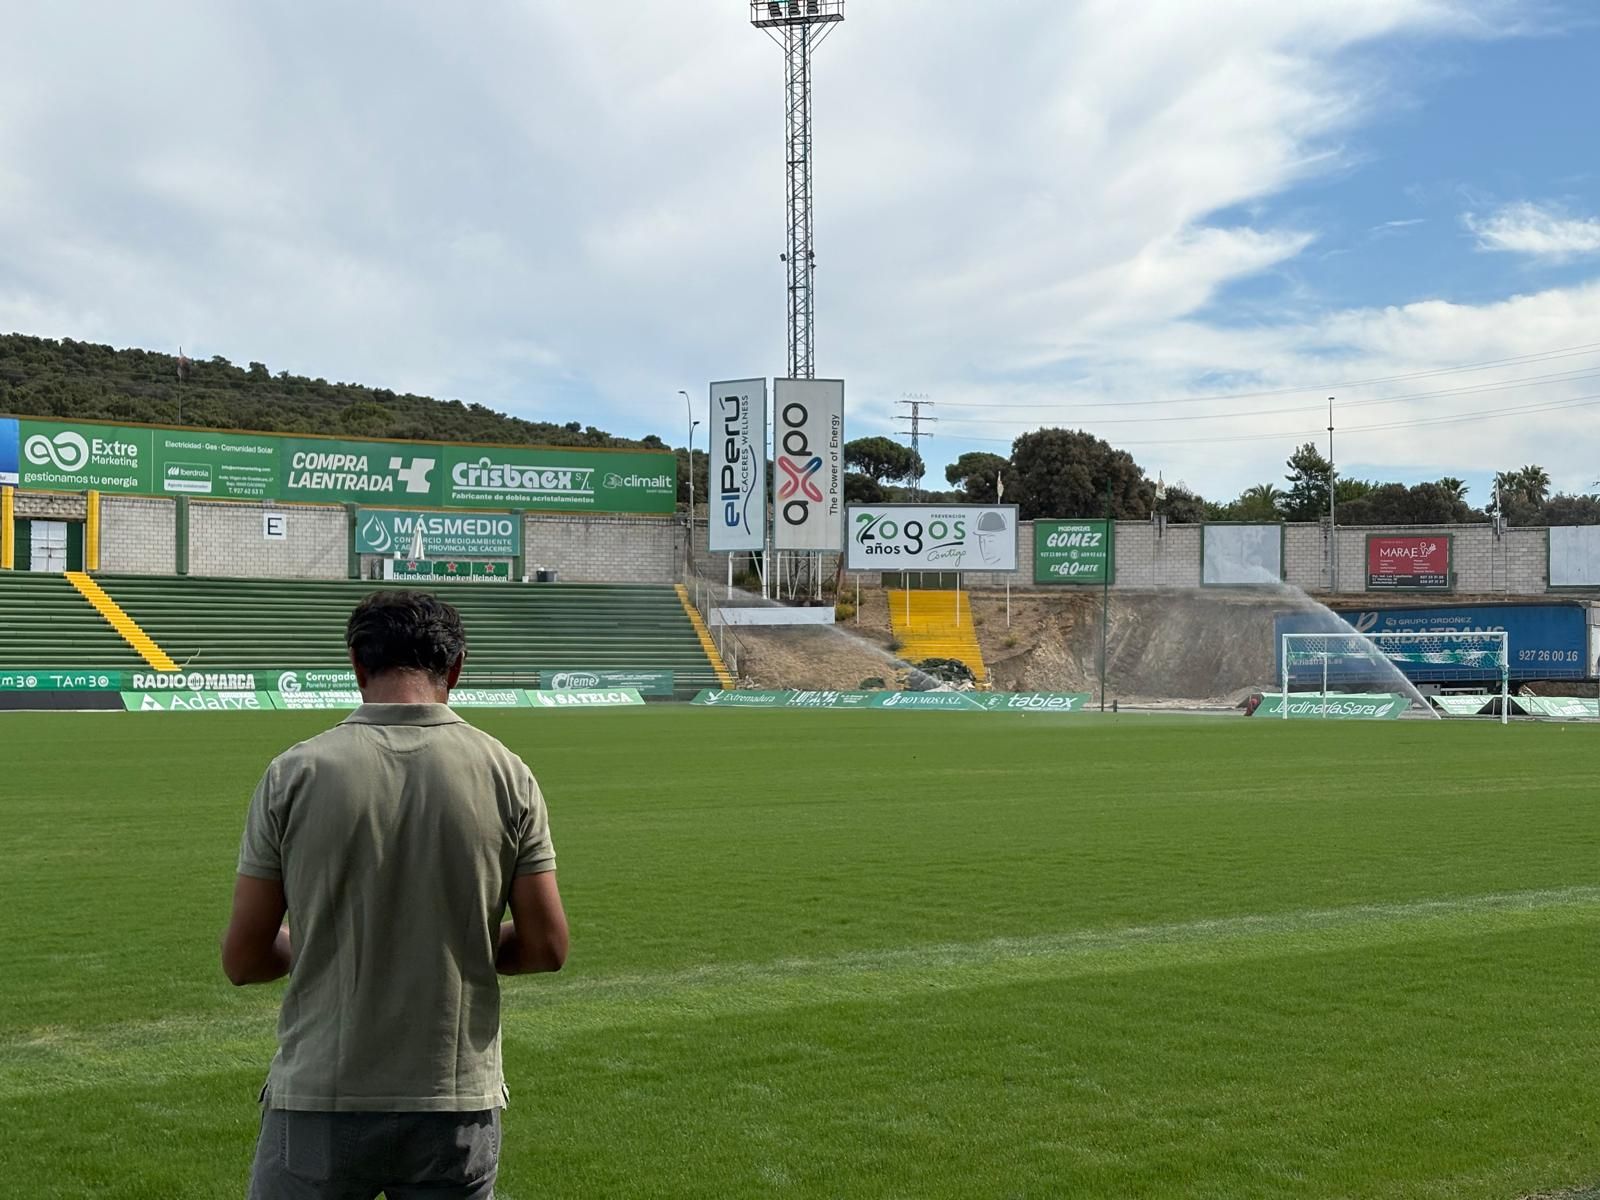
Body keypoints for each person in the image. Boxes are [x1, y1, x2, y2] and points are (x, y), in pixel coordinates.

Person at [220, 590, 568, 1199]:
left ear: (356, 663)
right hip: (453, 1097)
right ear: (456, 668)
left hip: (320, 1093)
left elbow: (245, 959)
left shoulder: (295, 773)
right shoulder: (507, 772)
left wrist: (332, 941)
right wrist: (456, 942)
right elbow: (546, 947)